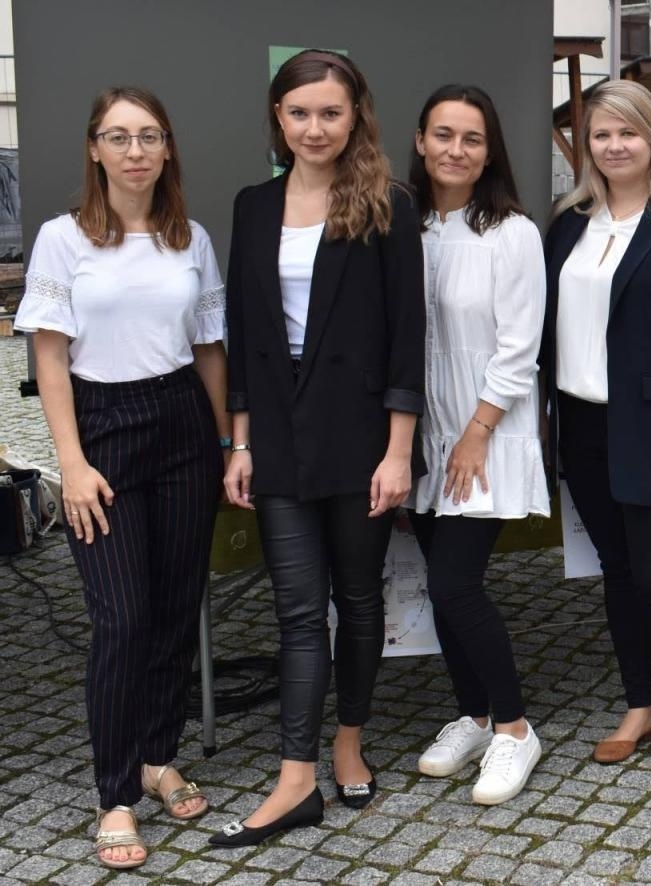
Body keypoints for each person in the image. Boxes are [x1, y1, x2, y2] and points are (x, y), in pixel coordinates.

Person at [211, 50, 425, 846]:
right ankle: (295, 775)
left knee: (359, 600)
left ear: (354, 116)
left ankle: (348, 739)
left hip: (361, 436)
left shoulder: (388, 205)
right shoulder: (251, 206)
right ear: (278, 118)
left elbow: (410, 339)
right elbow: (242, 332)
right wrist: (240, 443)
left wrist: (399, 450)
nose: (314, 128)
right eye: (298, 113)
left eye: (329, 113)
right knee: (299, 612)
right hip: (278, 438)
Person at [19, 87, 226, 871]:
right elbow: (48, 353)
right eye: (118, 136)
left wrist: (225, 441)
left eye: (149, 136)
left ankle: (158, 755)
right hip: (100, 430)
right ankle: (116, 793)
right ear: (95, 148)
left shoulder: (190, 237)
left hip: (181, 425)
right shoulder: (62, 239)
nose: (134, 150)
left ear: (167, 148)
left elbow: (209, 346)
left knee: (176, 608)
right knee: (122, 618)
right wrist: (69, 463)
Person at [543, 79, 651, 775]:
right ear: (586, 145)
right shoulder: (568, 222)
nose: (614, 146)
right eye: (601, 134)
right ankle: (639, 703)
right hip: (580, 423)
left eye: (629, 132)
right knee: (616, 574)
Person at [406, 85, 547, 805]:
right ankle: (474, 714)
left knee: (459, 584)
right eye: (443, 135)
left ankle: (516, 730)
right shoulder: (409, 226)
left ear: (489, 151)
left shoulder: (511, 233)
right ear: (422, 141)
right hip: (424, 439)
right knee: (440, 585)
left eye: (471, 138)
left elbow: (521, 350)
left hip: (484, 433)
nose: (455, 150)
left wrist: (476, 433)